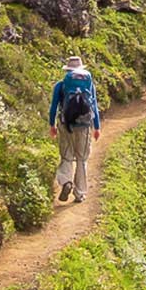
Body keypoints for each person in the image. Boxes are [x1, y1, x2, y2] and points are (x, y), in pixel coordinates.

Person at [48, 56, 101, 204]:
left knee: (66, 156)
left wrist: (52, 125)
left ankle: (66, 182)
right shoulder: (89, 85)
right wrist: (97, 127)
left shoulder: (61, 85)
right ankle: (80, 193)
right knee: (81, 159)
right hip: (84, 126)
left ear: (68, 70)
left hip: (66, 124)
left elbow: (53, 107)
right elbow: (94, 106)